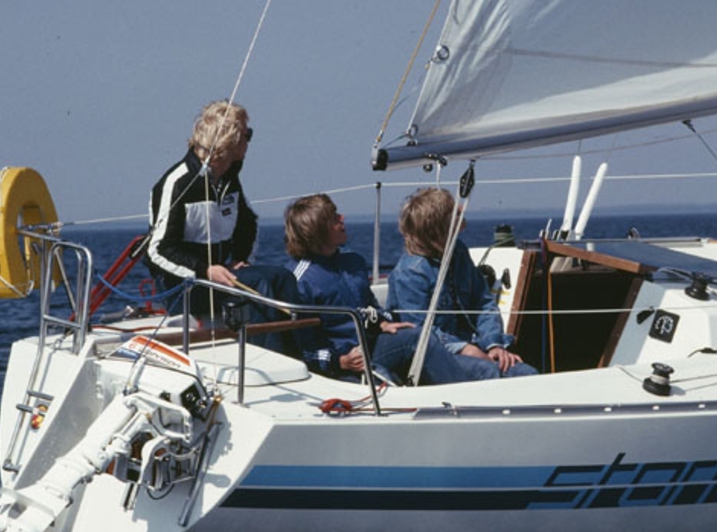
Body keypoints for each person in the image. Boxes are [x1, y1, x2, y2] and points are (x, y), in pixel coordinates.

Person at [283, 194, 499, 385]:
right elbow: (298, 348)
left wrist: (383, 322)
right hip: (344, 360)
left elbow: (369, 307)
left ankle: (465, 394)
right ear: (318, 229)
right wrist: (340, 361)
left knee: (417, 336)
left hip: (373, 345)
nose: (342, 218)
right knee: (387, 381)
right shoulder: (298, 280)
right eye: (334, 218)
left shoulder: (352, 262)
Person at [146, 101, 298, 326]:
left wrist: (240, 260)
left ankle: (302, 346)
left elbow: (248, 223)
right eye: (247, 135)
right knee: (260, 285)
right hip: (182, 286)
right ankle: (264, 346)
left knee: (282, 277)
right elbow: (159, 249)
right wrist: (205, 270)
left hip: (216, 277)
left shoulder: (228, 180)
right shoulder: (178, 183)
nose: (249, 141)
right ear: (230, 140)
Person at [388, 187, 535, 378]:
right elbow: (419, 332)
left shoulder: (458, 251)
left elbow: (482, 302)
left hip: (470, 342)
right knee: (493, 372)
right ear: (440, 225)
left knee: (524, 369)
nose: (461, 209)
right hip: (434, 354)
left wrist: (494, 344)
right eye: (454, 211)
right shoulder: (411, 272)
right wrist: (465, 349)